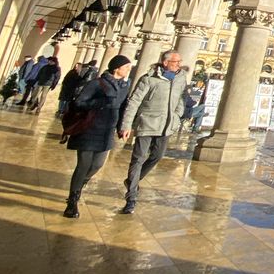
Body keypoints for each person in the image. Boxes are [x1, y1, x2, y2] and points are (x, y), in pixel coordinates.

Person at [118, 50, 187, 214]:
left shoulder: (180, 79)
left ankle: (133, 180)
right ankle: (131, 197)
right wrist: (126, 125)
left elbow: (181, 98)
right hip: (147, 123)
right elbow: (134, 101)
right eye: (176, 62)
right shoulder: (149, 78)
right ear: (165, 62)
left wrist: (177, 115)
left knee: (157, 155)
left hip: (166, 126)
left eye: (179, 62)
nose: (179, 65)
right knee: (138, 159)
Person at [63, 55, 131, 219]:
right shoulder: (96, 83)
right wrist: (100, 103)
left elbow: (123, 108)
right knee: (83, 164)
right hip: (89, 128)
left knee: (97, 164)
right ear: (117, 68)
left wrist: (122, 127)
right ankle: (72, 201)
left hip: (107, 131)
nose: (129, 70)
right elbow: (79, 102)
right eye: (126, 67)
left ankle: (81, 183)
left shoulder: (124, 86)